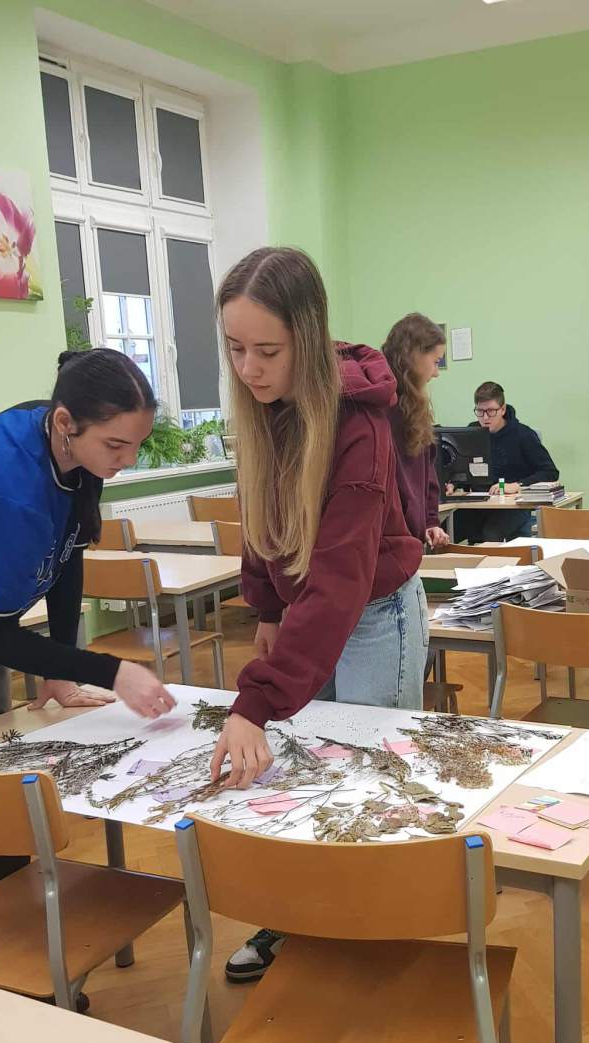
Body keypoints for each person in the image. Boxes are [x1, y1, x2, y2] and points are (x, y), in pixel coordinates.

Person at [209, 247, 427, 980]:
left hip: (373, 616)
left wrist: (255, 700)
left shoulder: (359, 426)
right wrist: (267, 606)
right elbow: (260, 519)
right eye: (235, 349)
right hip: (310, 612)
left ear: (306, 337)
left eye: (267, 351)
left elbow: (339, 581)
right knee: (303, 773)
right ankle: (297, 917)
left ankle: (376, 936)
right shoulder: (263, 407)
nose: (249, 369)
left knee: (370, 779)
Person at [0, 347, 176, 914]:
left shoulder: (68, 445)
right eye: (115, 446)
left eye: (136, 445)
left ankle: (11, 906)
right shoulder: (7, 489)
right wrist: (114, 671)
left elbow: (67, 556)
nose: (126, 460)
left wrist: (59, 668)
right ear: (66, 423)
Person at [455, 381, 559, 542]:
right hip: (478, 503)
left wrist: (517, 485)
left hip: (513, 506)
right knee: (442, 530)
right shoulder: (472, 433)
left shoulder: (523, 434)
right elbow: (461, 468)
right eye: (480, 411)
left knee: (491, 533)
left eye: (491, 411)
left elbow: (550, 472)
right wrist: (453, 483)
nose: (485, 417)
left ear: (502, 409)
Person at [381, 312, 449, 549]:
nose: (436, 373)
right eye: (436, 361)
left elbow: (427, 475)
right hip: (391, 542)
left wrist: (430, 521)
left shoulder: (416, 409)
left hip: (411, 541)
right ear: (415, 355)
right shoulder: (381, 408)